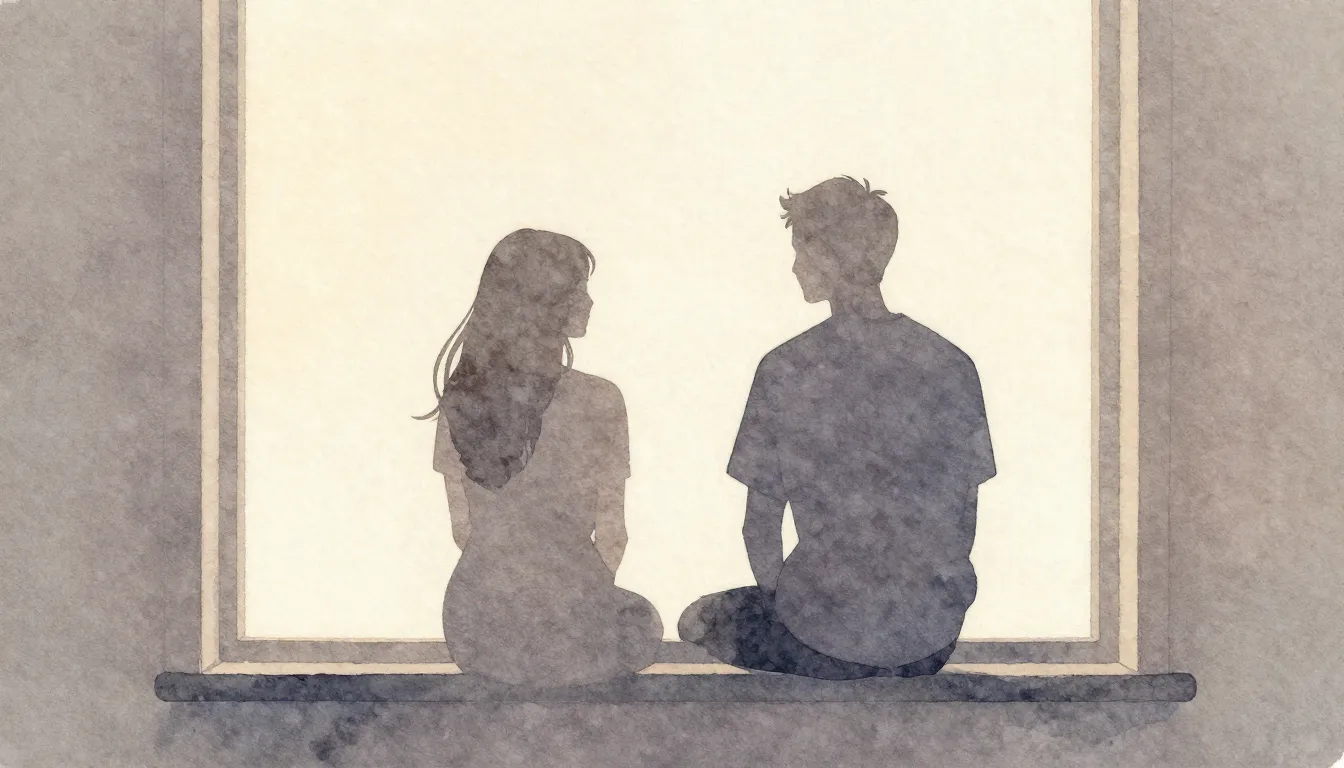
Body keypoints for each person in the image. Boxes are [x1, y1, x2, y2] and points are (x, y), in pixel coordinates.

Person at [678, 177, 996, 680]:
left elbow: (758, 525)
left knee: (700, 619)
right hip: (928, 639)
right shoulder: (951, 363)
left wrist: (793, 611)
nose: (794, 266)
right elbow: (963, 517)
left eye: (801, 250)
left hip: (822, 632)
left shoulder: (785, 367)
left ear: (830, 254)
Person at [418, 228, 662, 687]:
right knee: (641, 622)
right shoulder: (600, 399)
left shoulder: (462, 400)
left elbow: (463, 530)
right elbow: (614, 535)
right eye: (578, 290)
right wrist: (574, 598)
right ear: (543, 301)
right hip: (569, 618)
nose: (589, 302)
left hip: (475, 625)